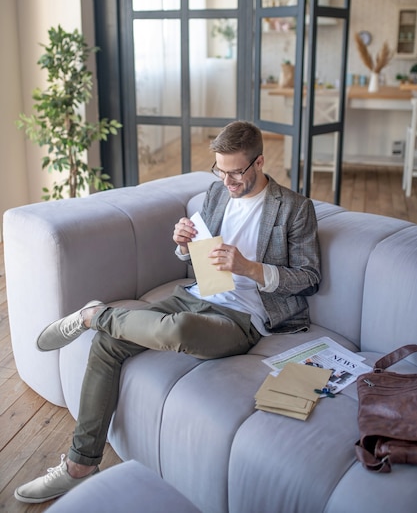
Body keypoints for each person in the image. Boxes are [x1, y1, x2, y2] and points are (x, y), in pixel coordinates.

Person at [15, 120, 321, 504]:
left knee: (178, 331)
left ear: (259, 162)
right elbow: (196, 255)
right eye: (220, 170)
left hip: (244, 319)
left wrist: (250, 268)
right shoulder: (215, 193)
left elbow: (310, 278)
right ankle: (80, 465)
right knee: (108, 345)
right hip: (199, 292)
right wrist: (181, 244)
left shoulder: (294, 208)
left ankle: (96, 315)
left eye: (235, 172)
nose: (227, 181)